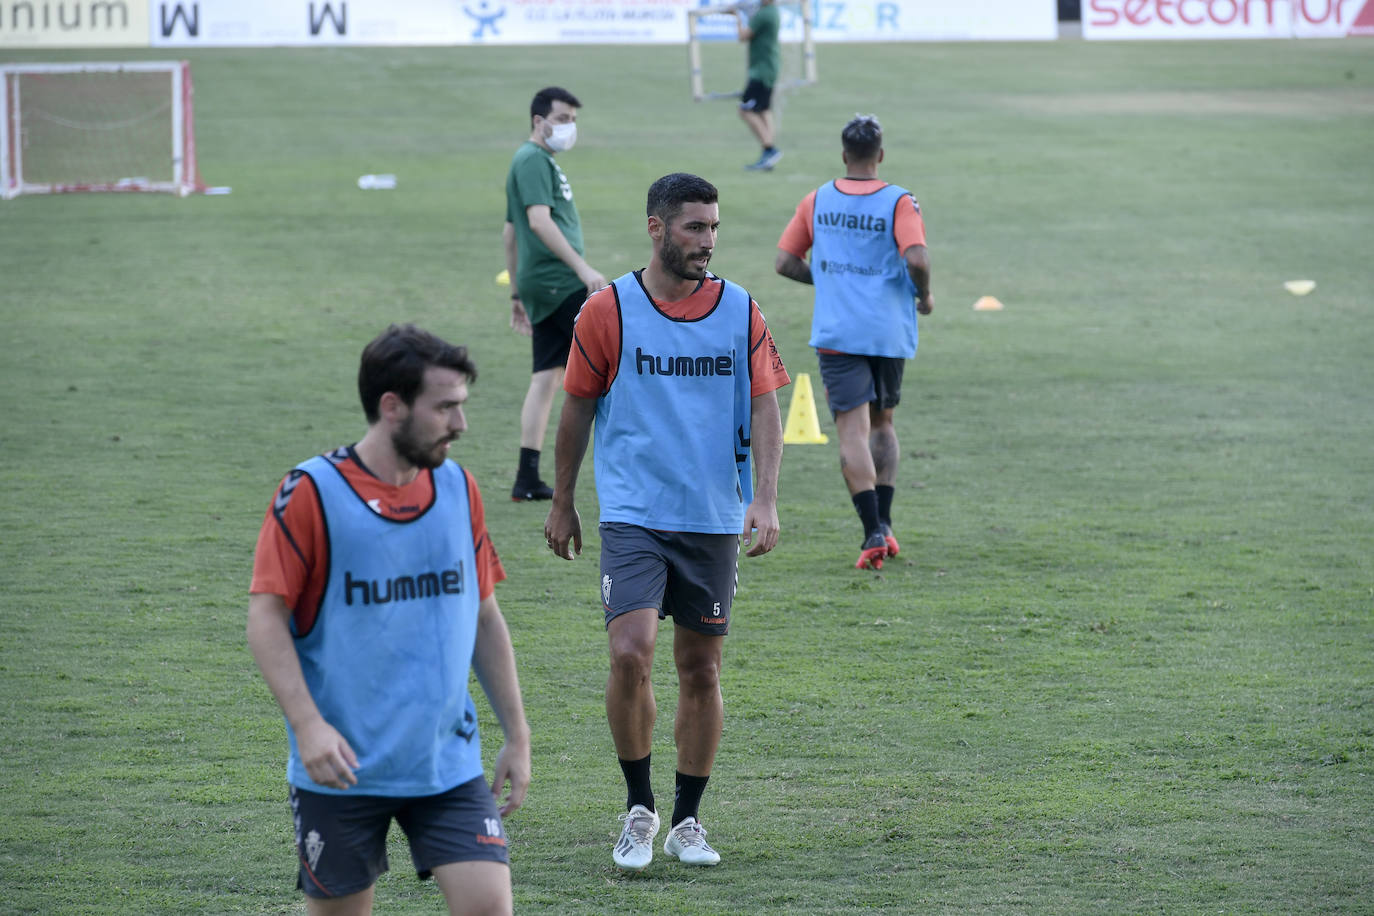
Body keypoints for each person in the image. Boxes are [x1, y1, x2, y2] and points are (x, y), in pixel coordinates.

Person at [543, 173, 788, 871]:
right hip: (633, 515)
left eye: (713, 227)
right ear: (657, 228)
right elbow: (576, 410)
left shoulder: (741, 311)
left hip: (710, 516)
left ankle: (687, 820)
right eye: (694, 228)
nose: (707, 241)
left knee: (701, 670)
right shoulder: (609, 310)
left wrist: (764, 498)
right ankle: (639, 808)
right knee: (630, 652)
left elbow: (769, 404)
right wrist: (563, 499)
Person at [247, 324, 531, 915]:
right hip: (342, 767)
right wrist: (307, 727)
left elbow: (482, 615)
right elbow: (266, 617)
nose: (461, 424)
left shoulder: (458, 487)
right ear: (392, 407)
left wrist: (517, 732)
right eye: (446, 407)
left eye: (462, 406)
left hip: (445, 763)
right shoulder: (311, 493)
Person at [774, 114, 933, 571]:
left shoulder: (817, 200)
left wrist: (825, 281)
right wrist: (923, 294)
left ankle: (871, 532)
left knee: (851, 431)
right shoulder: (900, 201)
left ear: (844, 155)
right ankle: (885, 523)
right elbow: (917, 256)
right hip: (888, 329)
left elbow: (785, 261)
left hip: (839, 331)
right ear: (880, 155)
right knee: (883, 424)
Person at [503, 86, 608, 502]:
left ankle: (527, 476)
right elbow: (538, 221)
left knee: (547, 376)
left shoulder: (533, 161)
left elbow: (509, 232)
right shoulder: (532, 160)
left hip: (539, 282)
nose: (570, 128)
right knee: (618, 362)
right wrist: (581, 268)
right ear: (538, 121)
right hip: (558, 281)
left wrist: (515, 293)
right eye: (563, 119)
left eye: (573, 121)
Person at [732, 0, 783, 171]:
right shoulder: (770, 12)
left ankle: (769, 149)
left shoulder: (764, 14)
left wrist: (736, 17)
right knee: (763, 110)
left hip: (761, 71)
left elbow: (742, 36)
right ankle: (768, 157)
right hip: (768, 68)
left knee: (746, 110)